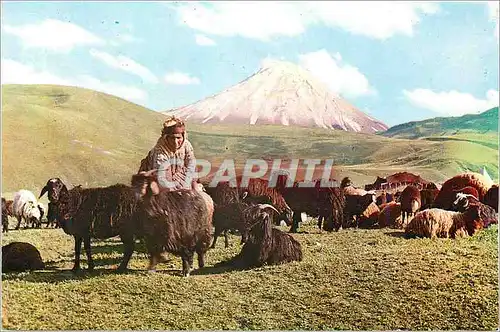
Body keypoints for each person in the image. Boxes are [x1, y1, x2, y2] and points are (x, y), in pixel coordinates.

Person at [138, 116, 196, 191]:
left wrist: (193, 186)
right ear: (166, 137)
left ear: (183, 136)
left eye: (178, 138)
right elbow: (163, 180)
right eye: (172, 138)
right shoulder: (159, 152)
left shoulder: (187, 145)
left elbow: (192, 167)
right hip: (158, 182)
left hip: (179, 178)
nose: (175, 142)